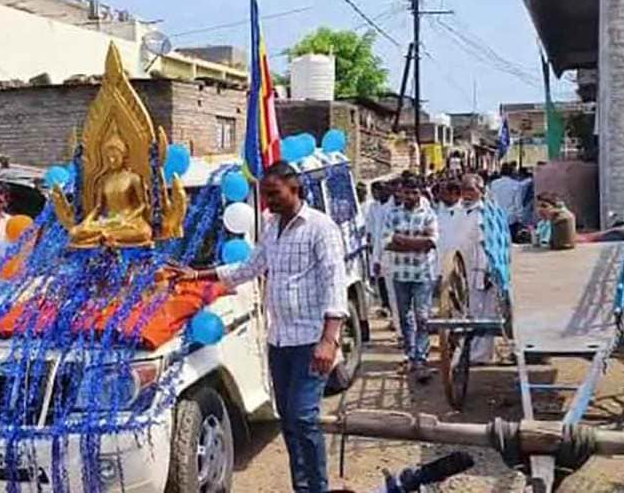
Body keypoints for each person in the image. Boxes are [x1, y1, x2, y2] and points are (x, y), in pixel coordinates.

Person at [174, 161, 347, 493]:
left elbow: (335, 284)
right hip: (279, 340)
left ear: (294, 189)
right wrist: (198, 275)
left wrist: (330, 339)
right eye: (265, 195)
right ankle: (304, 487)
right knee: (289, 420)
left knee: (303, 417)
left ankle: (318, 487)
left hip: (310, 341)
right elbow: (250, 267)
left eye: (274, 193)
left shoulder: (320, 227)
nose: (268, 201)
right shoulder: (273, 228)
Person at [383, 178, 439, 381]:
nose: (410, 196)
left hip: (423, 273)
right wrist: (417, 243)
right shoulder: (393, 214)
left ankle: (421, 357)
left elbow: (431, 242)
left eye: (414, 192)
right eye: (406, 192)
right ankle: (410, 353)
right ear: (401, 193)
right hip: (400, 273)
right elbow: (387, 243)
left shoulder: (429, 214)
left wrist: (402, 240)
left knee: (422, 316)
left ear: (420, 193)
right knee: (405, 316)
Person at [458, 174, 496, 364]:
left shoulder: (488, 212)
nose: (467, 194)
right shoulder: (460, 210)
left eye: (471, 190)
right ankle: (473, 351)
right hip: (465, 267)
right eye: (464, 190)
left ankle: (482, 355)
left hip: (483, 268)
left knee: (484, 313)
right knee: (471, 312)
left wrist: (490, 268)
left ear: (481, 191)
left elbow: (494, 242)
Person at [366, 181, 396, 325]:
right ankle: (386, 305)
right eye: (373, 192)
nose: (375, 194)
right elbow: (370, 226)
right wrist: (370, 243)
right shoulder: (373, 206)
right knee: (381, 278)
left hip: (391, 248)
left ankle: (394, 312)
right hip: (377, 246)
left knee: (394, 284)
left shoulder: (393, 206)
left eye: (378, 191)